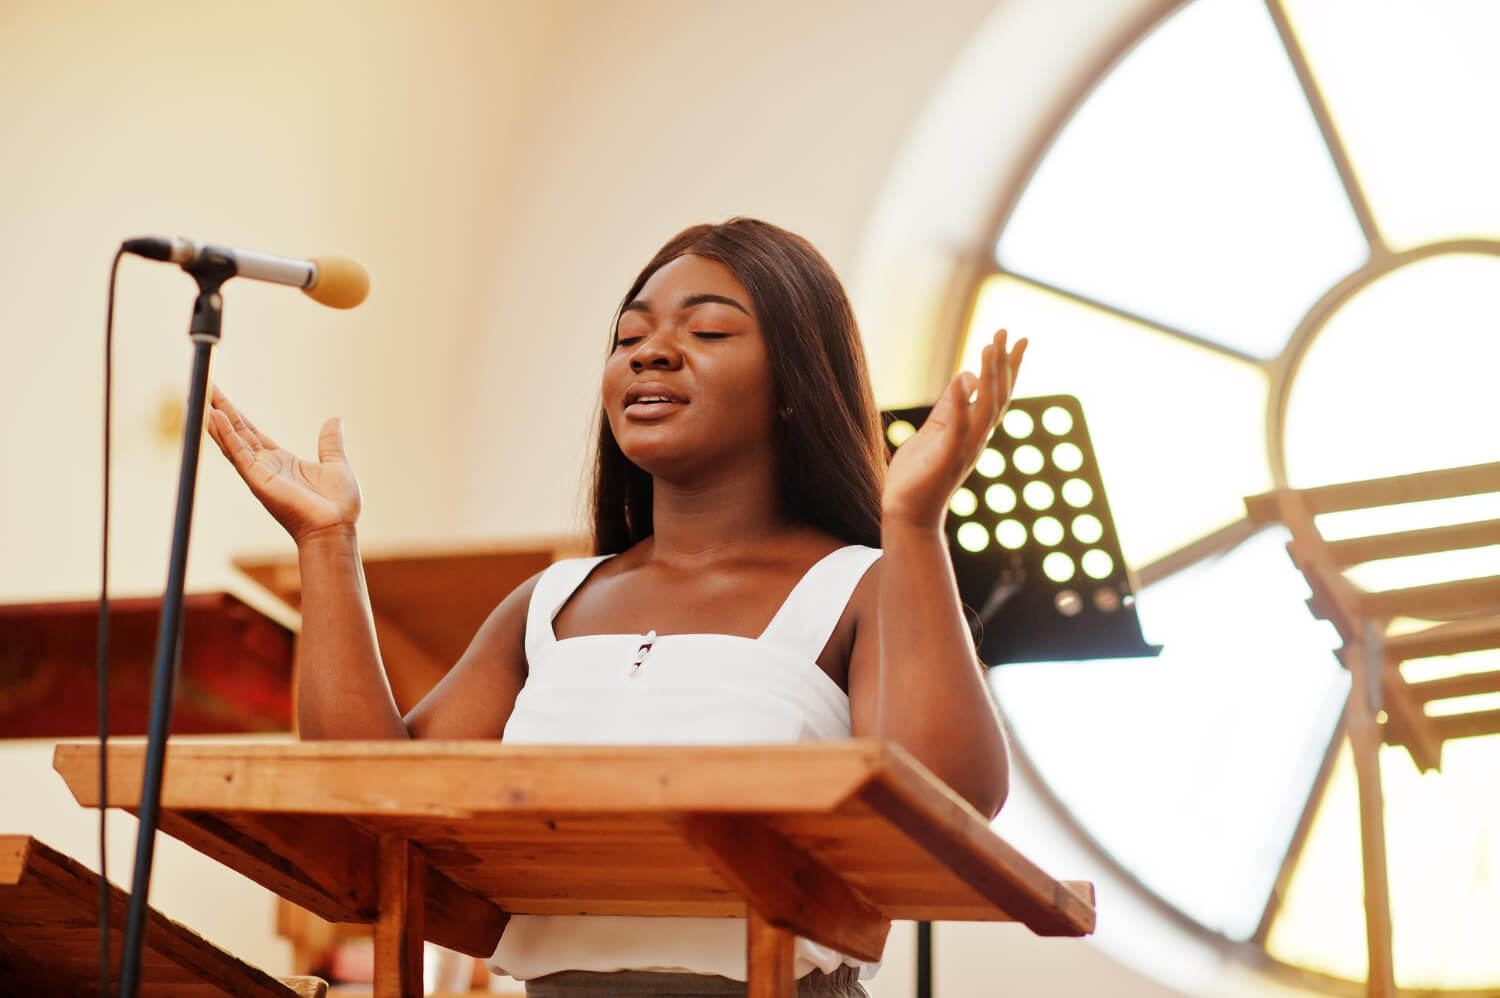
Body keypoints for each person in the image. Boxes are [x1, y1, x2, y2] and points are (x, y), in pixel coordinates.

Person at [206, 217, 1026, 998]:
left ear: (794, 385)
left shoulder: (857, 586)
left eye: (706, 333)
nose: (653, 354)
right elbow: (371, 802)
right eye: (629, 338)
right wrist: (327, 542)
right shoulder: (554, 602)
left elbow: (952, 804)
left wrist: (914, 524)